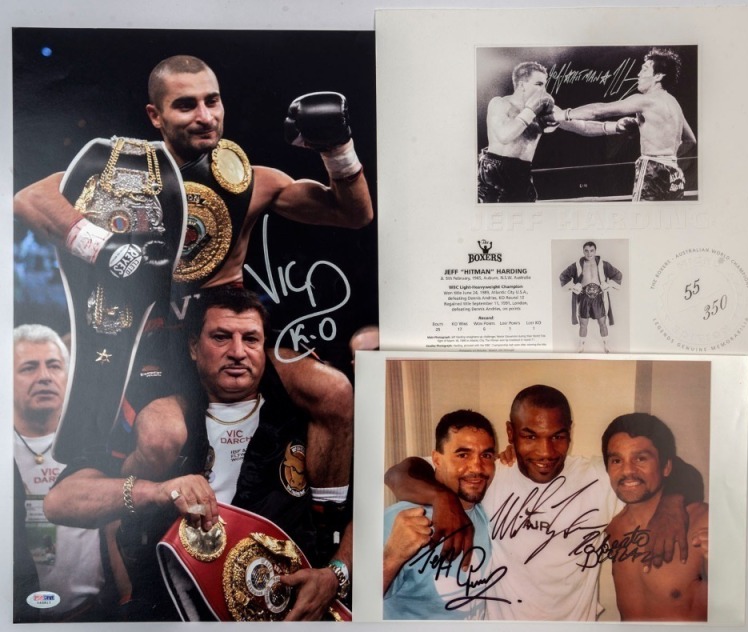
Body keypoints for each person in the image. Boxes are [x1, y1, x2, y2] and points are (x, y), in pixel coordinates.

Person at [13, 54, 367, 499]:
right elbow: (30, 197)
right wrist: (104, 249)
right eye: (186, 105)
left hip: (231, 330)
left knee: (334, 393)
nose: (205, 116)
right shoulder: (123, 175)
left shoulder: (251, 181)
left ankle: (326, 528)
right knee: (161, 438)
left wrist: (338, 150)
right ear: (155, 116)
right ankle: (133, 527)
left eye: (212, 101)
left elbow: (353, 215)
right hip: (158, 341)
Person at [44, 286, 352, 621]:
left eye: (251, 339)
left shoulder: (303, 420)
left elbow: (368, 510)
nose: (237, 352)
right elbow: (59, 502)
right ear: (193, 347)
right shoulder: (163, 426)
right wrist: (159, 490)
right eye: (221, 337)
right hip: (176, 611)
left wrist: (335, 574)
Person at [385, 384, 702, 621]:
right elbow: (399, 472)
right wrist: (443, 498)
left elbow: (676, 470)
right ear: (511, 433)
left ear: (570, 433)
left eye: (558, 436)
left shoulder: (597, 477)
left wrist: (673, 505)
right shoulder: (490, 473)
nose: (546, 451)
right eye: (530, 435)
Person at [13, 324, 109, 621]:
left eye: (54, 365)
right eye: (29, 367)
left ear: (69, 376)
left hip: (95, 615)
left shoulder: (99, 444)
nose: (44, 377)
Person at [383, 410, 496, 620]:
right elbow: (356, 603)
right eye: (463, 455)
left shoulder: (485, 510)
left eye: (486, 455)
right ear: (436, 459)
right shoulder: (403, 519)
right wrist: (391, 557)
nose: (477, 467)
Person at [601, 413, 708, 621]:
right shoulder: (613, 528)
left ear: (667, 467)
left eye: (640, 458)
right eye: (617, 460)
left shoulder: (704, 522)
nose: (628, 471)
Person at [553, 48, 697, 201]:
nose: (639, 75)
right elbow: (690, 141)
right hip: (674, 174)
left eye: (645, 69)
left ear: (658, 76)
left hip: (653, 171)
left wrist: (562, 114)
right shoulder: (674, 103)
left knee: (641, 220)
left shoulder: (646, 100)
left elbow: (599, 110)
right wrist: (666, 159)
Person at [478, 61, 558, 203]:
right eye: (539, 84)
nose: (544, 90)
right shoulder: (500, 104)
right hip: (494, 173)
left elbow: (581, 125)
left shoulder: (542, 111)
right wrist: (530, 111)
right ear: (522, 85)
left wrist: (610, 127)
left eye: (545, 85)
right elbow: (504, 136)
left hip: (522, 174)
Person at [558, 241, 623, 352]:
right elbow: (563, 276)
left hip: (599, 297)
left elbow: (618, 275)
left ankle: (606, 345)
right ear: (583, 251)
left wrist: (609, 284)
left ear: (595, 251)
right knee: (583, 323)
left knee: (602, 322)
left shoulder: (603, 264)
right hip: (584, 297)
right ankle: (581, 346)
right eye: (586, 251)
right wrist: (574, 286)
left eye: (591, 250)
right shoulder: (577, 265)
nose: (589, 253)